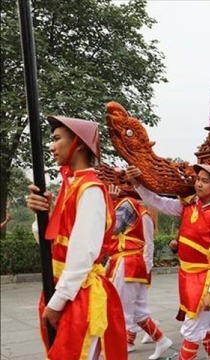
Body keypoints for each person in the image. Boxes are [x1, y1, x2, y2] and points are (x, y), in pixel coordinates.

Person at [26, 116, 127, 360]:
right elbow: (48, 240)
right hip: (62, 286)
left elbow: (83, 254)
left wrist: (58, 300)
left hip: (79, 293)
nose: (51, 146)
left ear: (78, 143)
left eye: (57, 139)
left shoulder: (90, 189)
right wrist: (42, 214)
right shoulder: (70, 185)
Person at [126, 163, 210, 360]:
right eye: (197, 179)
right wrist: (138, 184)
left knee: (191, 328)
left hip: (204, 280)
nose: (198, 184)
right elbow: (158, 202)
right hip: (187, 276)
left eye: (204, 181)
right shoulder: (189, 204)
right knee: (207, 326)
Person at [105, 185, 172, 358]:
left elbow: (111, 229)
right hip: (129, 262)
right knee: (137, 310)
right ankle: (160, 339)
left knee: (120, 311)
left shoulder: (127, 204)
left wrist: (109, 203)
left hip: (128, 263)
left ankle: (121, 347)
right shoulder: (133, 207)